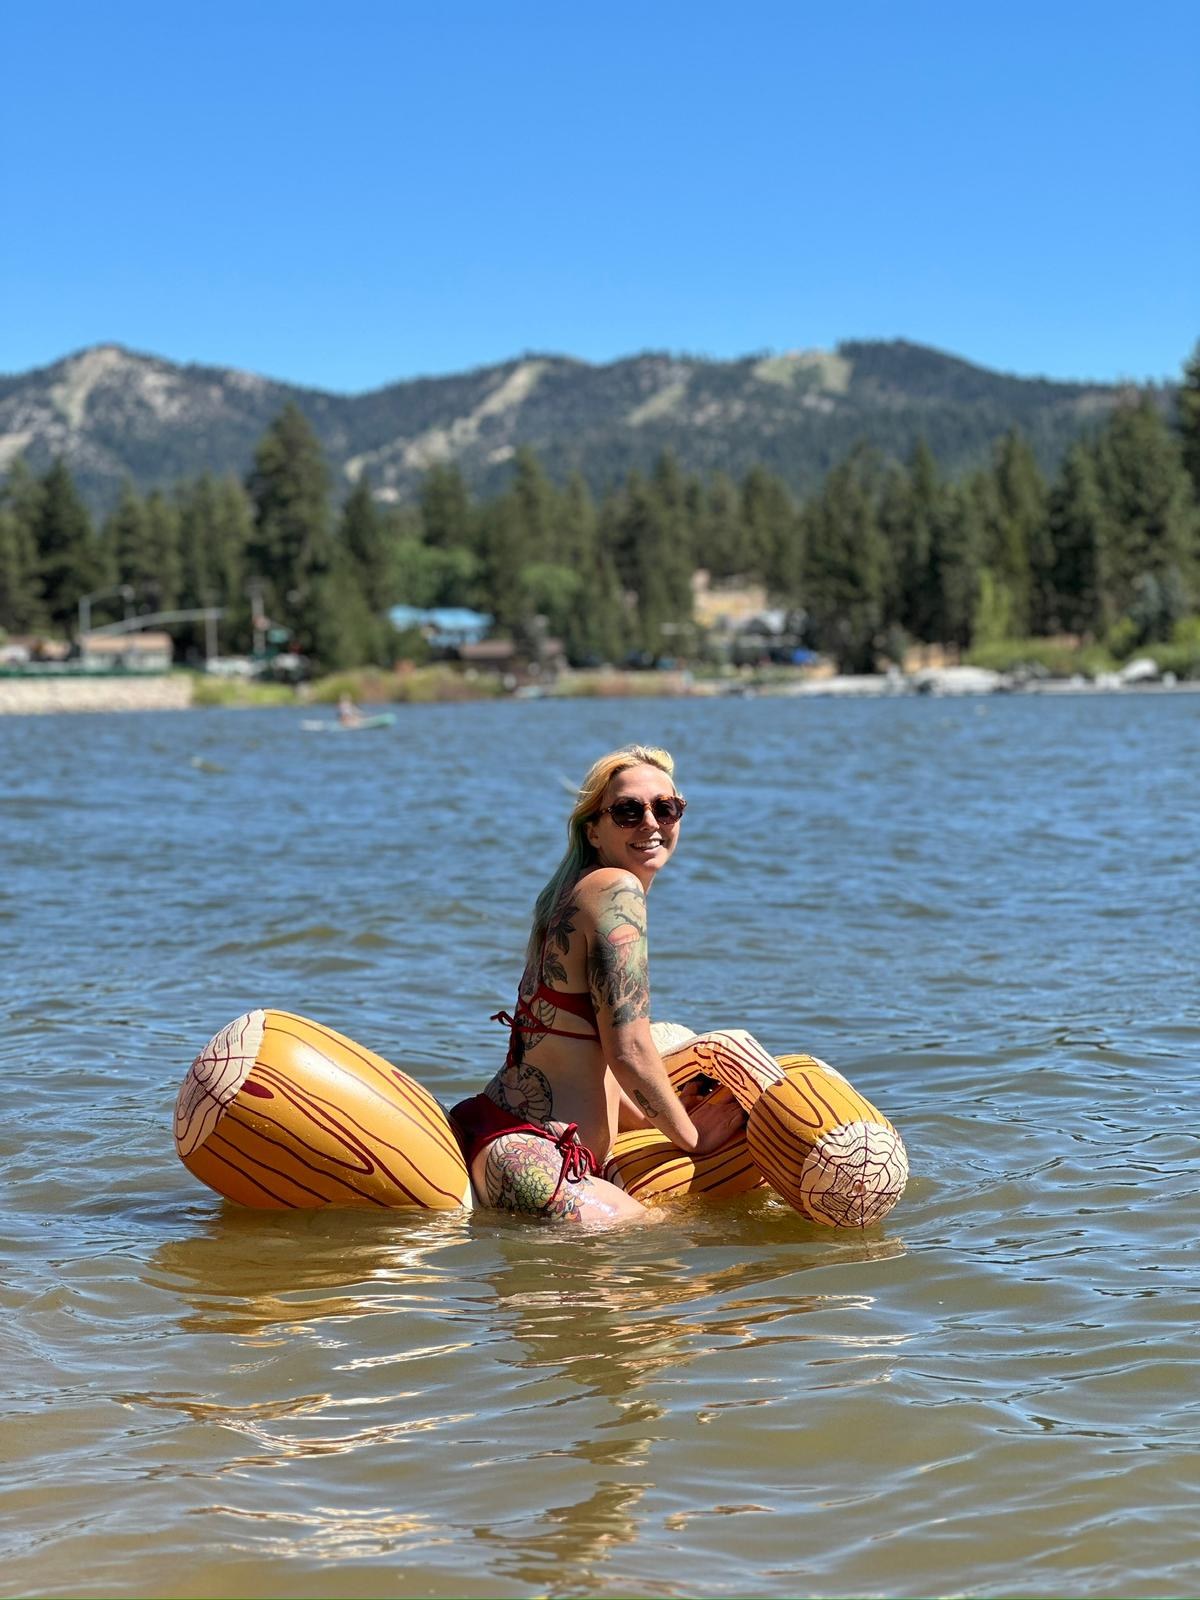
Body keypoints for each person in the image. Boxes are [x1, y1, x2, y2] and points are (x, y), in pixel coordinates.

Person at [449, 743, 776, 1224]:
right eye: (627, 811)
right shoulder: (616, 891)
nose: (651, 822)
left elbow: (591, 1053)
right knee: (664, 1239)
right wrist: (693, 1138)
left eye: (666, 807)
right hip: (534, 1154)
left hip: (498, 1128)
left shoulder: (571, 891)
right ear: (594, 830)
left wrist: (652, 1119)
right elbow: (627, 1049)